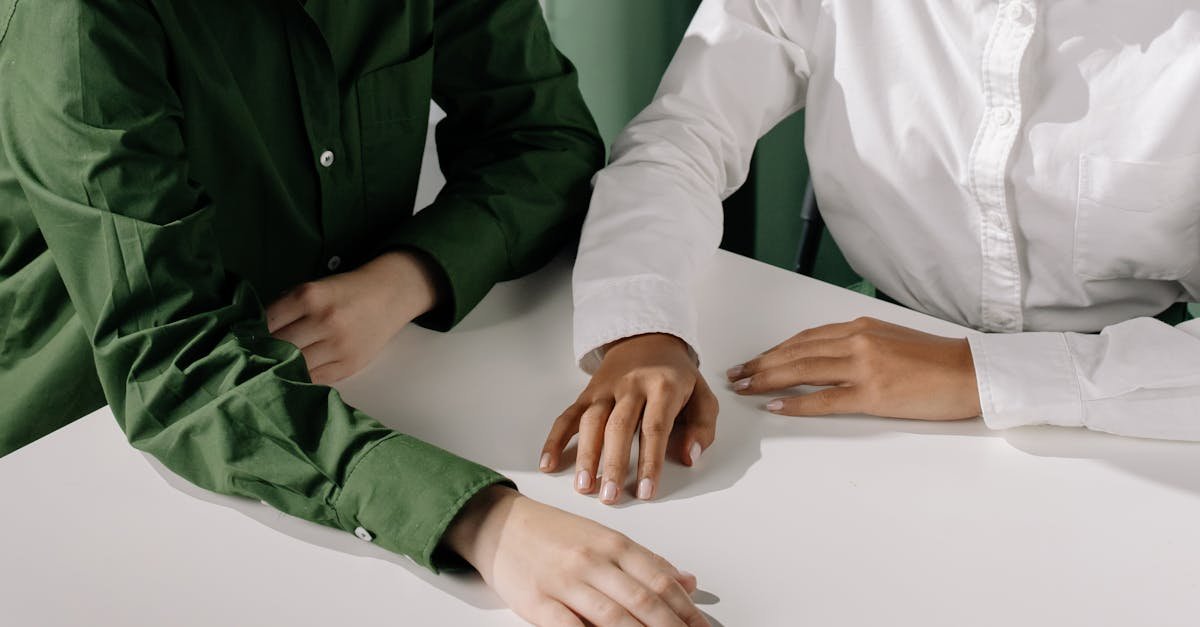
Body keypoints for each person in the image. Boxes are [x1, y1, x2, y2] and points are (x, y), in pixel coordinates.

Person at [0, 1, 710, 625]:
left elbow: (544, 139)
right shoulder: (78, 13)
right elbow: (170, 361)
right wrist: (484, 521)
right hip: (85, 467)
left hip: (352, 410)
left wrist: (407, 278)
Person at [541, 0, 1200, 504]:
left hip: (1140, 402)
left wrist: (979, 373)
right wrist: (641, 325)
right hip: (872, 389)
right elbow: (682, 140)